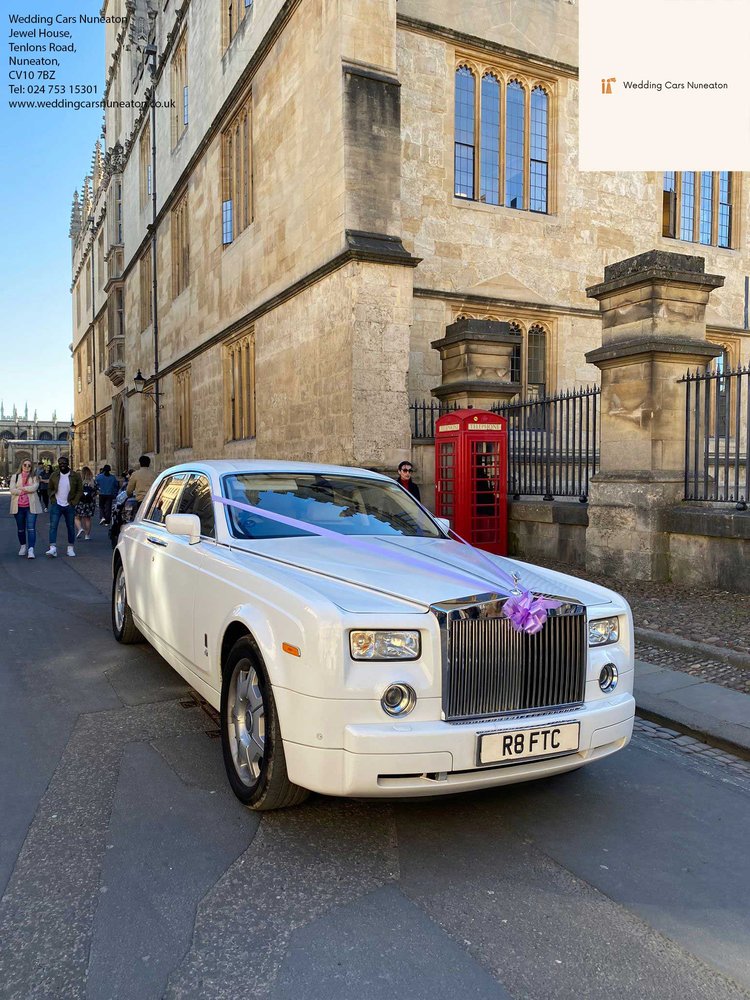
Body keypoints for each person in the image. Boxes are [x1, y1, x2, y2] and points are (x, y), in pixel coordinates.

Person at [46, 456, 83, 558]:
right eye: (60, 463)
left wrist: (74, 502)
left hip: (69, 505)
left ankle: (70, 548)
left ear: (68, 463)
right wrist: (53, 500)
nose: (62, 465)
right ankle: (52, 548)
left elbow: (80, 490)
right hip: (57, 504)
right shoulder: (54, 475)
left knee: (70, 527)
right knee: (53, 526)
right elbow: (49, 488)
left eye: (64, 463)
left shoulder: (75, 476)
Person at [10, 459, 43, 559]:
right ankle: (23, 546)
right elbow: (12, 490)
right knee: (20, 529)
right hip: (18, 507)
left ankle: (31, 550)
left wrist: (21, 489)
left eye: (29, 465)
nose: (27, 467)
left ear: (31, 467)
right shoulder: (15, 477)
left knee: (31, 528)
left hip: (31, 507)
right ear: (21, 465)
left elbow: (34, 488)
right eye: (25, 465)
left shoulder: (35, 477)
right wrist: (25, 490)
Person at [75, 466, 98, 540]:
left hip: (80, 502)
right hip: (90, 502)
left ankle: (80, 528)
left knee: (77, 517)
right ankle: (87, 535)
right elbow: (96, 491)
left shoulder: (79, 482)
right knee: (87, 519)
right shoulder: (93, 482)